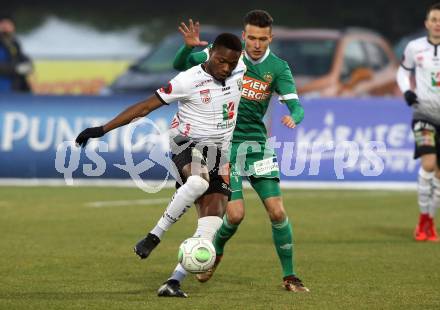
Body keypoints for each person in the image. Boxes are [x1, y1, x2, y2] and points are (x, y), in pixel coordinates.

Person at [76, 33, 245, 297]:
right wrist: (102, 129)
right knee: (198, 182)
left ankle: (173, 282)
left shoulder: (241, 65)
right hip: (185, 143)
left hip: (219, 153)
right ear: (211, 53)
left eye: (231, 64)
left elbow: (261, 54)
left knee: (210, 226)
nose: (226, 68)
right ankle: (154, 236)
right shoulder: (187, 80)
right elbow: (145, 107)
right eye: (221, 61)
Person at [169, 10, 308, 292]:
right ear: (244, 36)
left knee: (278, 212)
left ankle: (290, 276)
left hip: (256, 146)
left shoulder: (278, 68)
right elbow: (181, 65)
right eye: (252, 38)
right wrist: (187, 47)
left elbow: (296, 105)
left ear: (271, 38)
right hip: (225, 147)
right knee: (234, 215)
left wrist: (294, 116)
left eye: (263, 39)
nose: (257, 44)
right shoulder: (223, 56)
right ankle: (215, 252)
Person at [397, 3, 440, 242]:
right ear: (427, 23)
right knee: (429, 163)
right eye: (434, 19)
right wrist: (407, 91)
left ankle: (430, 221)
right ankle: (423, 219)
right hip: (424, 115)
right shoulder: (415, 48)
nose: (437, 23)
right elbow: (402, 72)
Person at [0, 15, 33, 92]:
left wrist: (28, 65)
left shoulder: (14, 43)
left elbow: (21, 57)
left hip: (15, 89)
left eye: (8, 25)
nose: (6, 27)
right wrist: (17, 69)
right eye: (3, 24)